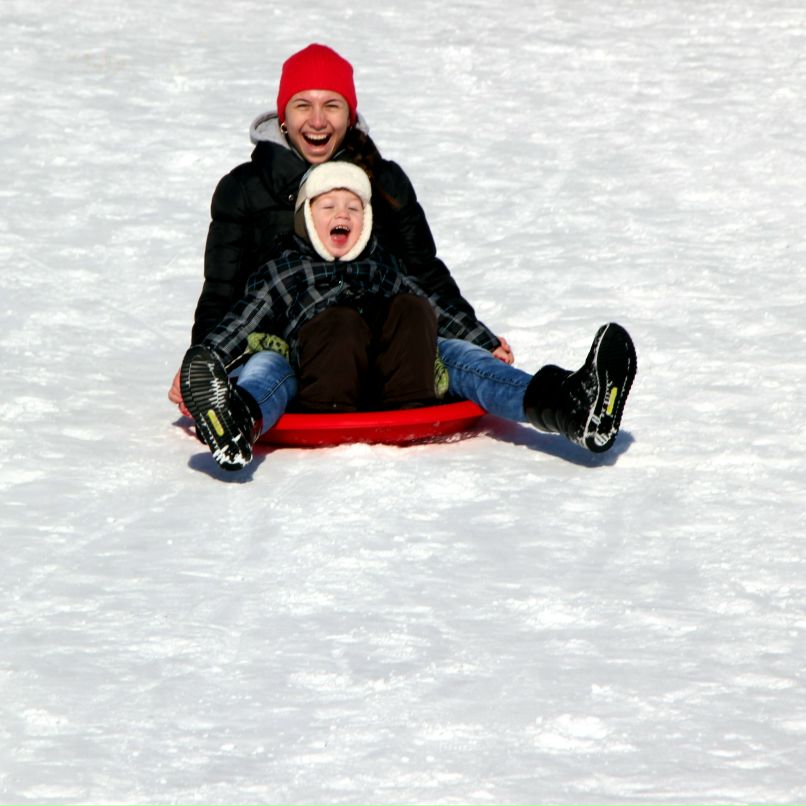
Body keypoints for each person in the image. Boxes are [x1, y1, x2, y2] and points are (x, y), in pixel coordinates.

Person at [171, 43, 637, 466]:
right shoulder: (245, 192)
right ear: (283, 115)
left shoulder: (383, 184)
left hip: (391, 350)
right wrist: (201, 364)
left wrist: (479, 337)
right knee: (265, 369)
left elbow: (422, 276)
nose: (317, 120)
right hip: (292, 349)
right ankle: (234, 421)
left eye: (331, 106)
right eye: (303, 105)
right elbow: (226, 294)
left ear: (349, 116)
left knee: (458, 355)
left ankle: (571, 405)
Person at [182, 161, 492, 470]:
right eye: (328, 206)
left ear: (367, 220)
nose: (342, 214)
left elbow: (436, 305)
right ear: (307, 218)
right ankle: (236, 421)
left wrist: (484, 342)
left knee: (413, 308)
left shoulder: (379, 264)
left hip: (390, 386)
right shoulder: (287, 269)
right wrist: (203, 363)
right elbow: (242, 320)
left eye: (354, 209)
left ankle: (419, 401)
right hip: (319, 389)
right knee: (329, 329)